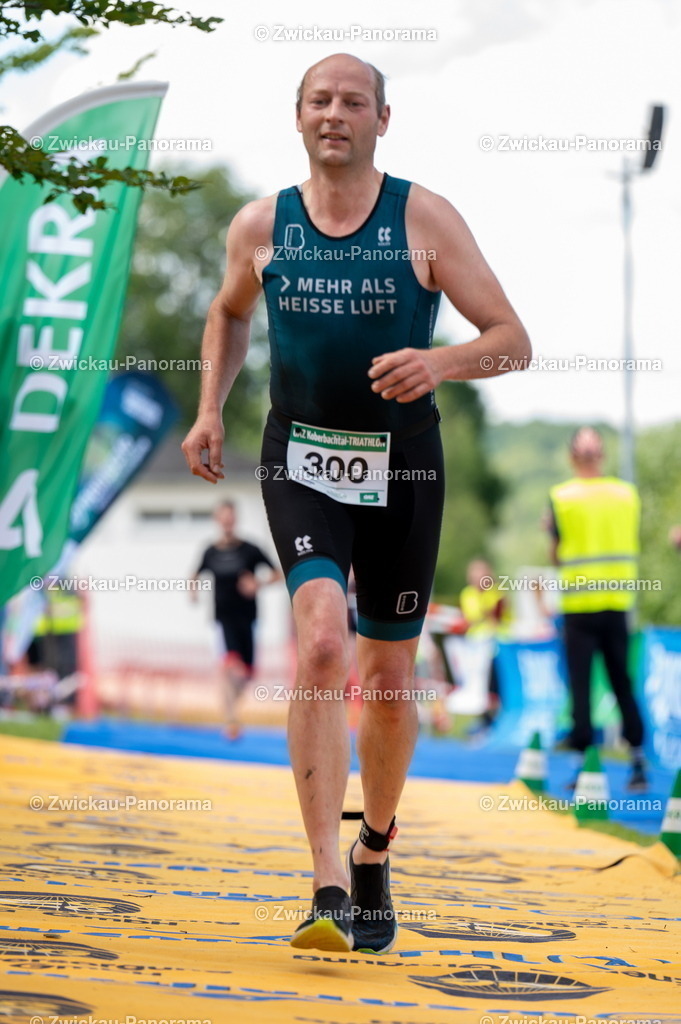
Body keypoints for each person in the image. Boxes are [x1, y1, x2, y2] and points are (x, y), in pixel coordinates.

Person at [182, 53, 530, 953]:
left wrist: (440, 362)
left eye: (353, 102)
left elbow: (511, 339)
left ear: (383, 118)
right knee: (323, 638)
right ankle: (326, 879)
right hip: (299, 456)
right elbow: (227, 313)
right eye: (319, 101)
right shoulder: (262, 224)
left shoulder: (422, 218)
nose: (335, 114)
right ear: (297, 117)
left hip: (403, 468)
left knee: (384, 676)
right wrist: (209, 409)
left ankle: (375, 846)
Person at [547, 427, 647, 791]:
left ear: (572, 457)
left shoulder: (562, 496)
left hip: (578, 606)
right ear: (602, 455)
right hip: (617, 603)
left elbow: (556, 554)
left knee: (581, 686)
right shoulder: (626, 494)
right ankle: (638, 762)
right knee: (623, 682)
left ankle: (582, 767)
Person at [192, 500, 281, 739]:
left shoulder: (250, 549)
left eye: (230, 517)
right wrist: (193, 591)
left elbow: (278, 573)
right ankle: (231, 720)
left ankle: (232, 710)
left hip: (249, 619)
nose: (227, 521)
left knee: (246, 674)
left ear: (235, 519)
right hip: (222, 619)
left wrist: (257, 583)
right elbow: (195, 574)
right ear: (217, 520)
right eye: (223, 517)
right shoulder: (210, 552)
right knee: (230, 666)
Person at [459, 559, 510, 730]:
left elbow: (499, 617)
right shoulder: (467, 594)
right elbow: (473, 617)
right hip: (476, 646)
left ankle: (498, 717)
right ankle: (484, 719)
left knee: (496, 683)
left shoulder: (497, 592)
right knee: (479, 683)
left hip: (497, 646)